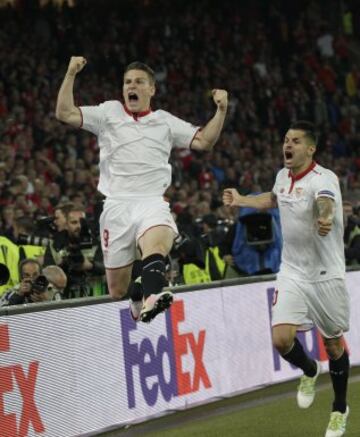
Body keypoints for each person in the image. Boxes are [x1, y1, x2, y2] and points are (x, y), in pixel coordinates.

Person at [56, 57, 228, 322]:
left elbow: (204, 141)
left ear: (151, 90)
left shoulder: (165, 122)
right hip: (116, 206)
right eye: (127, 82)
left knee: (157, 244)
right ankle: (138, 293)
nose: (131, 86)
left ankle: (152, 296)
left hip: (151, 202)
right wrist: (70, 73)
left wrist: (221, 110)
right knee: (117, 290)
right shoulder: (108, 112)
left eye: (138, 82)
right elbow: (64, 113)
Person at [223, 121, 350, 437]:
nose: (287, 145)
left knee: (333, 345)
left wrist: (324, 217)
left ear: (310, 148)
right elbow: (273, 198)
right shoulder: (282, 177)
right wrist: (241, 200)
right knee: (281, 340)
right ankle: (309, 369)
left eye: (295, 141)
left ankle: (339, 408)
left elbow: (326, 202)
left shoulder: (325, 179)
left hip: (325, 275)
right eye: (285, 139)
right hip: (292, 271)